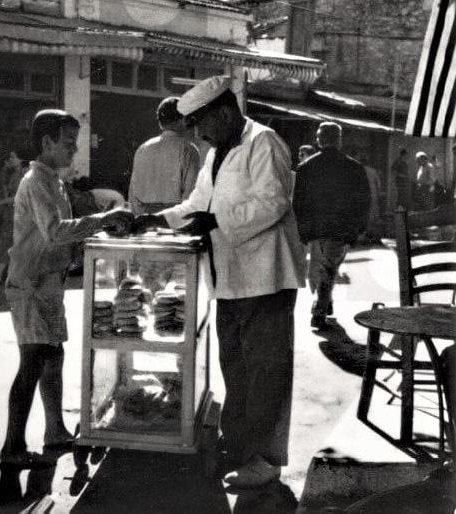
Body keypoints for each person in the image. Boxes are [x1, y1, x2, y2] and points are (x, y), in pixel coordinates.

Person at [133, 76, 306, 488]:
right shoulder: (216, 152)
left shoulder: (263, 142)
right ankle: (243, 448)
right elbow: (198, 203)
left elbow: (274, 201)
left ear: (225, 113)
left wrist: (218, 221)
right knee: (238, 370)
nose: (197, 134)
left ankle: (265, 459)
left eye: (200, 124)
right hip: (229, 279)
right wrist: (159, 219)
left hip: (267, 278)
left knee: (267, 372)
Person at [0, 109, 133, 507]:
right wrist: (104, 220)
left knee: (53, 356)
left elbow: (61, 235)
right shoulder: (36, 181)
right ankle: (11, 450)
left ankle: (55, 431)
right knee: (33, 362)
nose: (75, 149)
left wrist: (95, 234)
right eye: (68, 143)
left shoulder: (54, 180)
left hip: (48, 285)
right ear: (46, 144)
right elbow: (54, 232)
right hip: (30, 286)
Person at [292, 122, 370, 329]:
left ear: (318, 140)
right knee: (328, 269)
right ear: (339, 140)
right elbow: (363, 201)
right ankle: (321, 309)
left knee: (321, 270)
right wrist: (359, 229)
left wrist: (303, 230)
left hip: (316, 229)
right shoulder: (354, 167)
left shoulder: (306, 168)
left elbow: (298, 203)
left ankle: (323, 307)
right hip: (341, 229)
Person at [128, 96, 200, 214]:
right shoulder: (188, 149)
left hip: (144, 219)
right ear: (183, 119)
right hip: (173, 221)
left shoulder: (143, 148)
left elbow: (133, 195)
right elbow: (191, 196)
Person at [0, 151, 28, 285]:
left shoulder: (24, 175)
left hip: (20, 214)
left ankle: (2, 276)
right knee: (8, 243)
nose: (10, 160)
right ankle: (0, 276)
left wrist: (0, 202)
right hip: (12, 214)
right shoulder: (14, 174)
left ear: (21, 159)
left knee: (11, 243)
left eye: (13, 157)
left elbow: (19, 197)